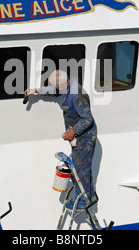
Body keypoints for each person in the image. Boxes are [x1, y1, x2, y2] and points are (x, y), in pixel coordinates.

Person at [25, 70, 97, 210]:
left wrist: (72, 132)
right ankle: (89, 195)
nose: (56, 90)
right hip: (78, 134)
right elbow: (53, 89)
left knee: (80, 168)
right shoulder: (65, 85)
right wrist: (36, 90)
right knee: (80, 166)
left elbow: (87, 119)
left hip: (85, 136)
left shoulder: (76, 95)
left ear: (65, 83)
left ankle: (84, 201)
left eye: (58, 87)